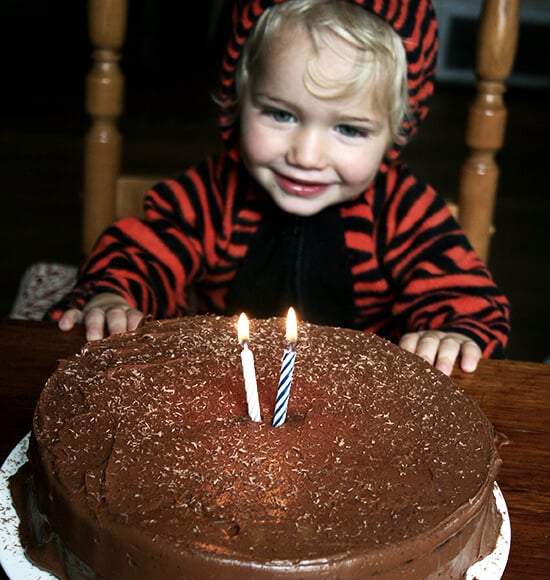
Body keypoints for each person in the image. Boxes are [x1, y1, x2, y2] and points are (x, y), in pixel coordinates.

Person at [48, 0, 510, 375]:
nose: (306, 157)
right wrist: (114, 297)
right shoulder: (215, 191)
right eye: (281, 114)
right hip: (222, 392)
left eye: (349, 129)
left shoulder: (404, 209)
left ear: (396, 132)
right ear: (238, 99)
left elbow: (465, 296)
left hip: (363, 412)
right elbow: (142, 253)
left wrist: (451, 334)